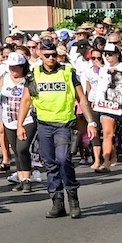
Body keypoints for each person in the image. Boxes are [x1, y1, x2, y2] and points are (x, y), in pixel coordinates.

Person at [27, 42, 84, 219]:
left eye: (54, 54)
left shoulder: (68, 72)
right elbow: (25, 100)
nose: (51, 58)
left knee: (63, 159)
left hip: (64, 124)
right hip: (44, 124)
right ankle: (57, 202)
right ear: (40, 54)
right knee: (50, 163)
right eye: (47, 55)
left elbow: (82, 98)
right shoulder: (34, 74)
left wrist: (90, 122)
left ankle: (73, 200)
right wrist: (21, 123)